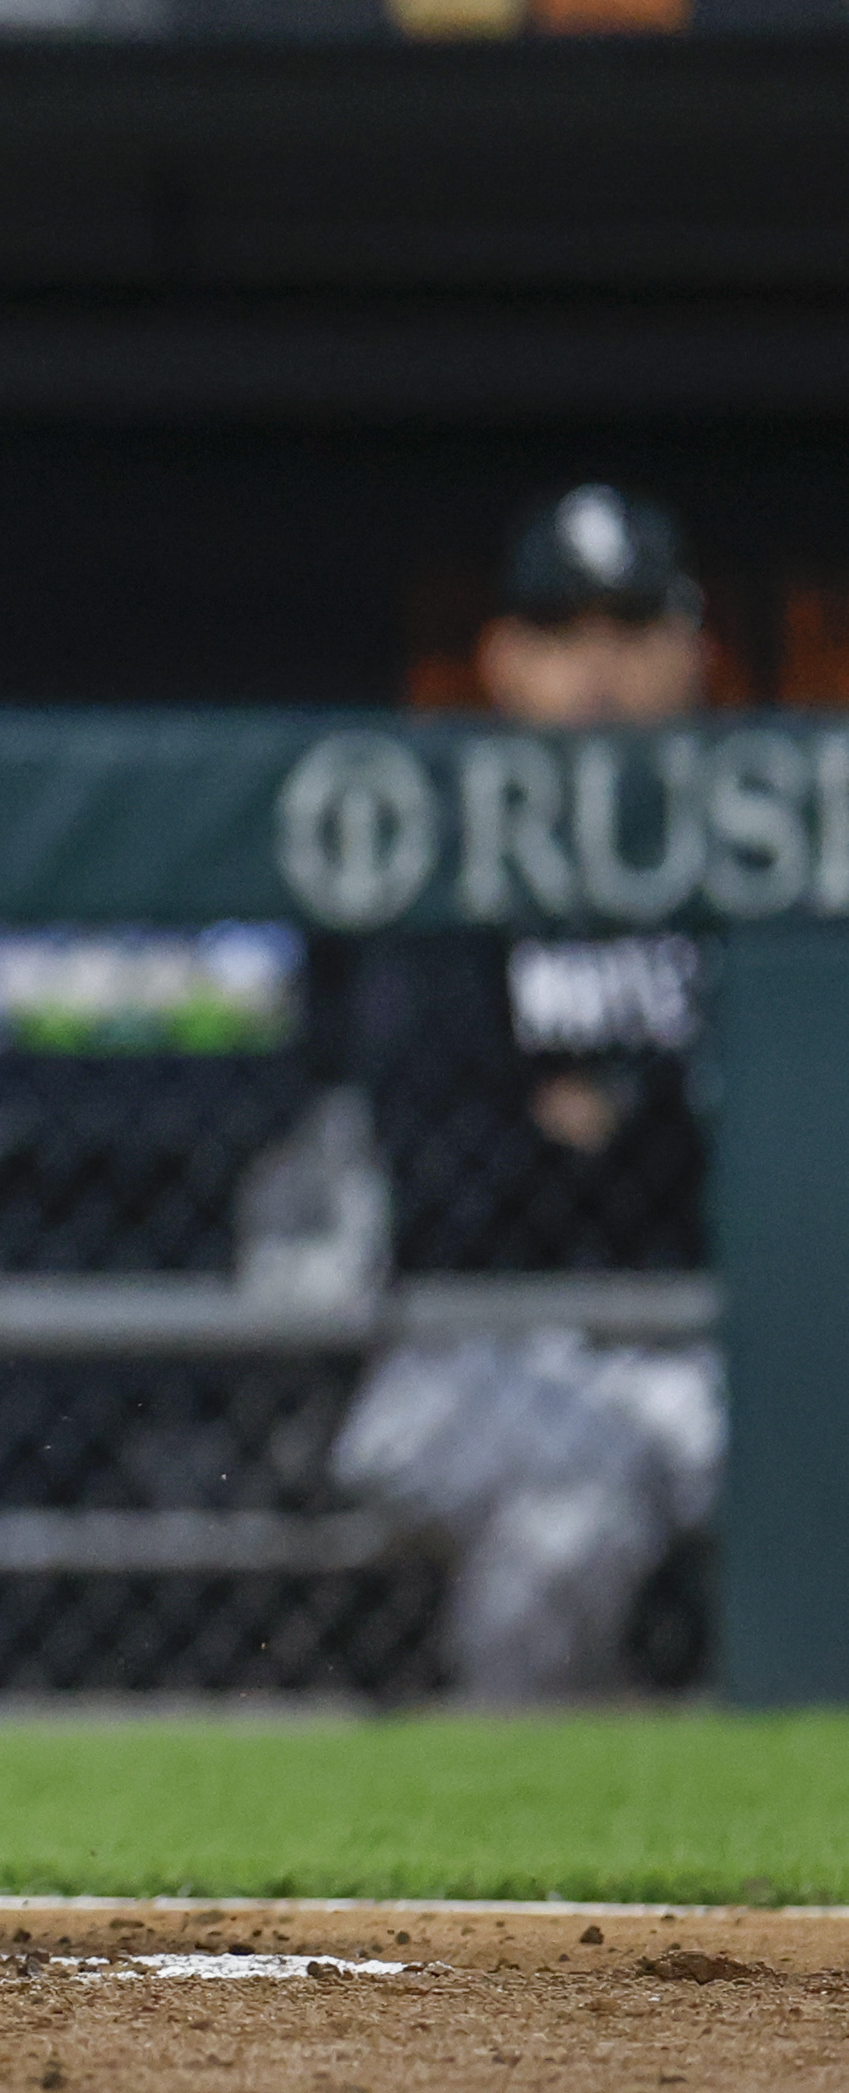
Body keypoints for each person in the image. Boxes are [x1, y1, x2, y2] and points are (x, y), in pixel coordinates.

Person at [330, 481, 722, 1698]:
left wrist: (603, 1122)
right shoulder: (433, 871)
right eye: (561, 634)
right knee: (577, 1505)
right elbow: (444, 1183)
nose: (596, 669)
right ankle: (505, 1820)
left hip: (709, 1344)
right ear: (504, 659)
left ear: (690, 652)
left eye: (630, 628)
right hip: (471, 1350)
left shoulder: (748, 863)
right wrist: (653, 1118)